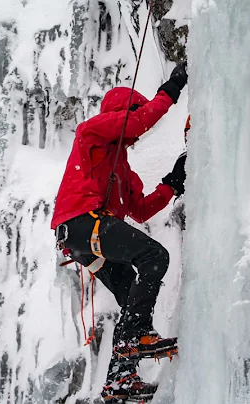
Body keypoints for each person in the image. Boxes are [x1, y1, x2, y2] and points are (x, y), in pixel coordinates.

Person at [51, 63, 188, 402]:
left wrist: (171, 184)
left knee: (131, 298)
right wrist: (170, 91)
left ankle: (119, 382)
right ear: (121, 113)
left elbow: (139, 210)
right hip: (81, 222)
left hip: (85, 239)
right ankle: (137, 336)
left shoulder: (123, 171)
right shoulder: (91, 132)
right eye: (135, 115)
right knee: (154, 255)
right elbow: (137, 121)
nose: (139, 130)